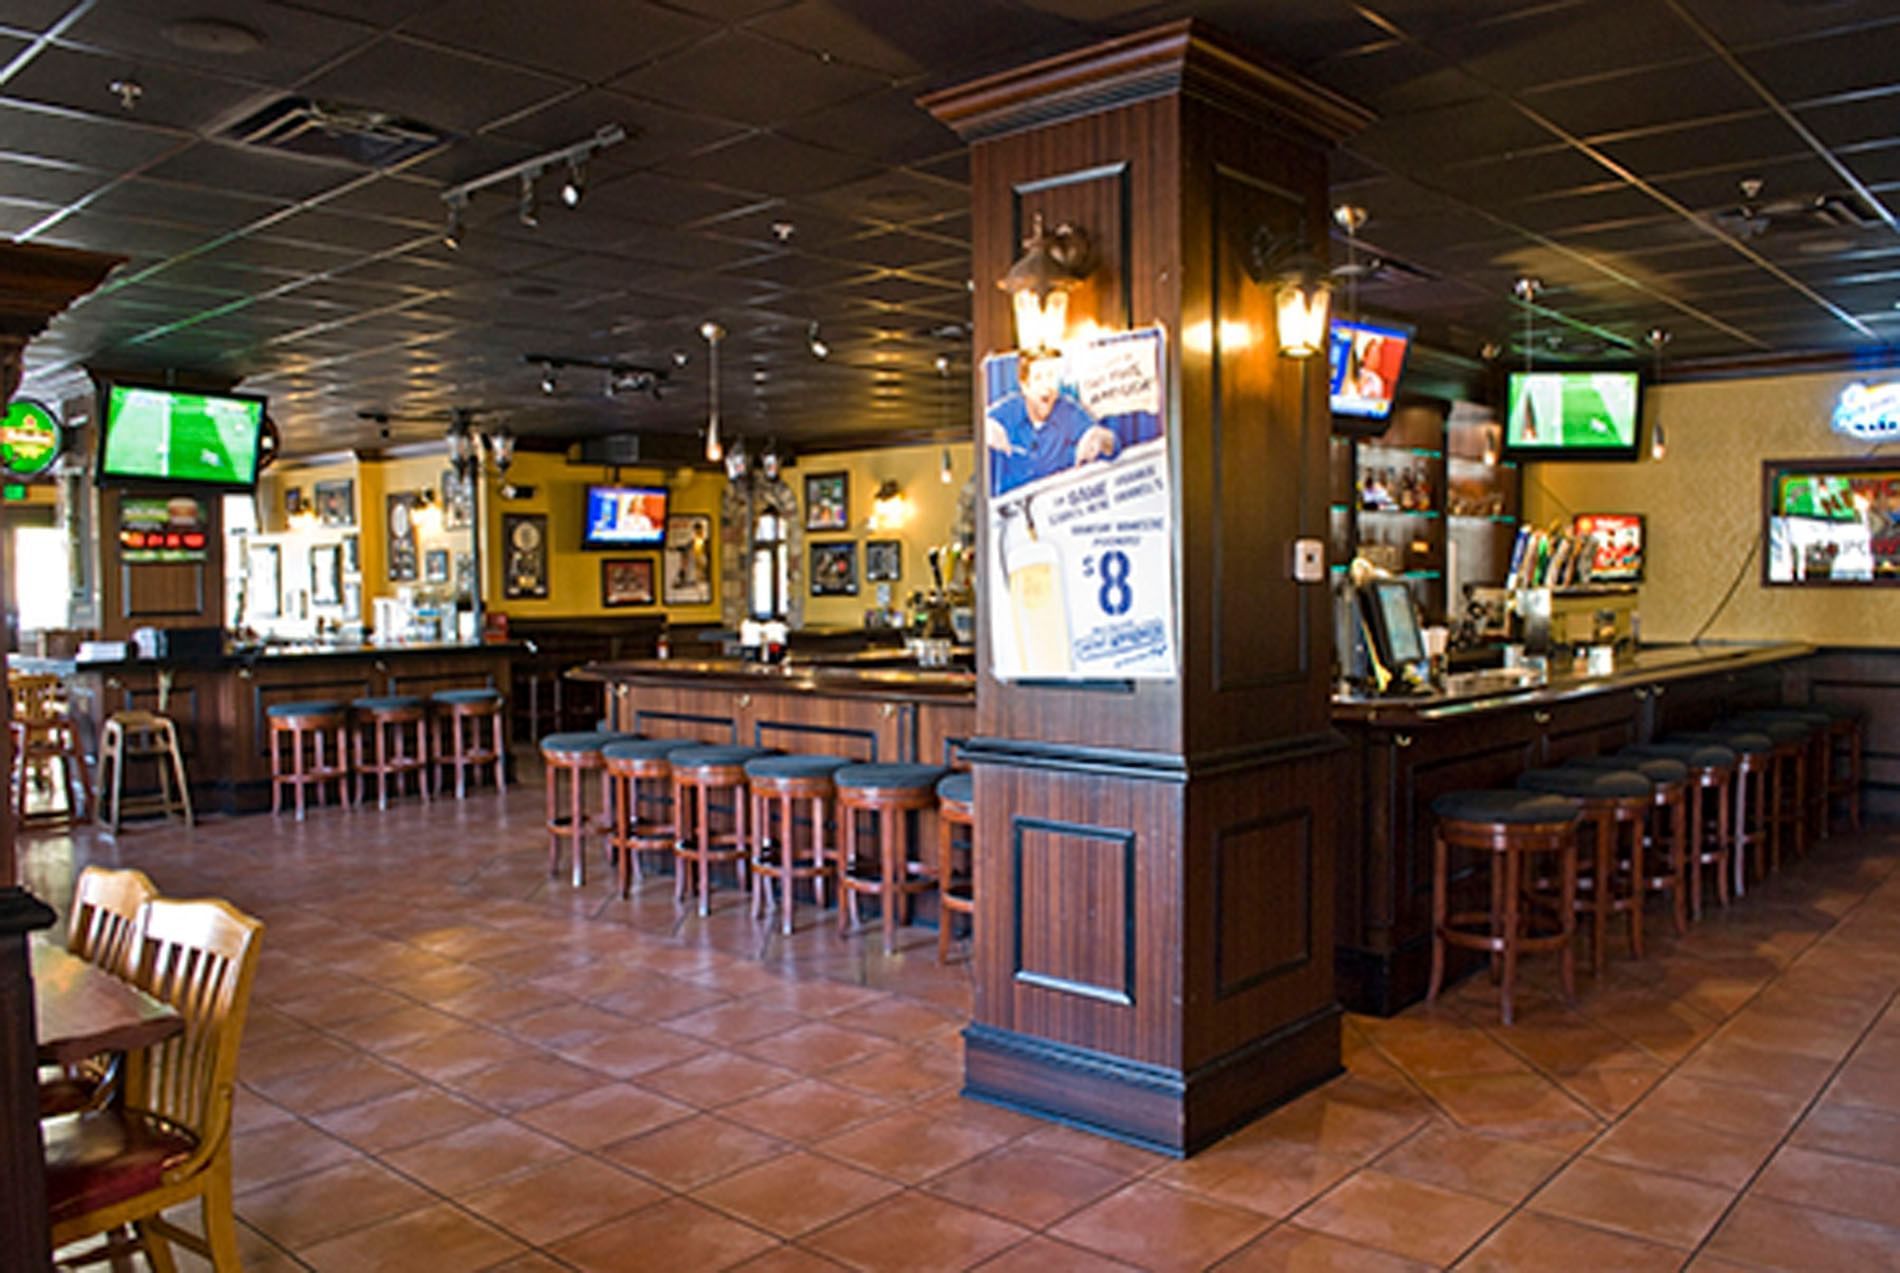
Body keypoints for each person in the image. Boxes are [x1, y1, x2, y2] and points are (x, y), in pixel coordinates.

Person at [986, 351, 1118, 497]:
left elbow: (1111, 444)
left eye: (1051, 376)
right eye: (1038, 378)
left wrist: (1103, 438)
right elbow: (981, 428)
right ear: (1025, 386)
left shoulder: (1069, 411)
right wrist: (985, 430)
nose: (1046, 385)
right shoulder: (1007, 412)